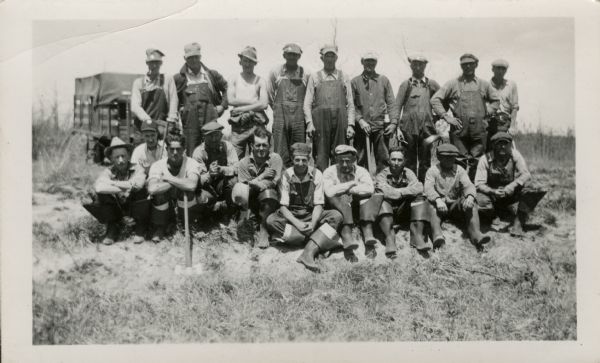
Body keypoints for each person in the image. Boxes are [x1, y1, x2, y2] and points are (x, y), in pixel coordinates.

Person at [265, 143, 344, 271]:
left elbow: (318, 204)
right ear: (292, 159)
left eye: (304, 160)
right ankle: (319, 242)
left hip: (311, 214)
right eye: (297, 159)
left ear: (309, 159)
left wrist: (312, 224)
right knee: (271, 221)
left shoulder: (317, 173)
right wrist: (297, 223)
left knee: (336, 216)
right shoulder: (286, 175)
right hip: (293, 215)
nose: (300, 163)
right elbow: (283, 207)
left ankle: (307, 252)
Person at [430, 53, 500, 181]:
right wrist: (446, 117)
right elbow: (435, 100)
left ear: (476, 65)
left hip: (479, 130)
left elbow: (495, 100)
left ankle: (474, 190)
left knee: (478, 161)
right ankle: (459, 188)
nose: (468, 67)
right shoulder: (453, 84)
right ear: (461, 66)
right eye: (464, 65)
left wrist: (486, 112)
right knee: (458, 160)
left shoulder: (484, 84)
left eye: (470, 64)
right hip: (459, 129)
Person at [474, 132, 546, 237]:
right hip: (492, 196)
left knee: (536, 188)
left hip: (509, 193)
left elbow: (526, 174)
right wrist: (493, 191)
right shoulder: (485, 159)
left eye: (506, 144)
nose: (503, 146)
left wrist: (511, 187)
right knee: (479, 199)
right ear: (493, 145)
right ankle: (493, 215)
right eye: (499, 144)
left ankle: (518, 224)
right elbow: (479, 184)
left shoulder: (515, 154)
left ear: (510, 145)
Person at [82, 137, 149, 245]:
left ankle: (140, 227)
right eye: (117, 157)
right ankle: (113, 226)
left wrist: (112, 183)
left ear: (128, 156)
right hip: (117, 206)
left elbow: (138, 184)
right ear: (111, 159)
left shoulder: (138, 168)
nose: (121, 160)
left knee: (141, 190)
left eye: (123, 156)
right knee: (94, 196)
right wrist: (125, 187)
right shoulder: (108, 171)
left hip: (134, 205)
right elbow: (99, 187)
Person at [424, 143, 491, 250]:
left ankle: (476, 235)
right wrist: (437, 200)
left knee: (471, 202)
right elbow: (428, 188)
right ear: (439, 157)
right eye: (446, 157)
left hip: (454, 205)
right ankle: (437, 236)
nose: (449, 160)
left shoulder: (459, 170)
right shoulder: (432, 171)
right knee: (430, 205)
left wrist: (469, 196)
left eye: (452, 157)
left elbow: (468, 185)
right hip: (438, 207)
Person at [323, 145, 383, 262]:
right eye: (341, 161)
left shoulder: (361, 171)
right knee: (341, 196)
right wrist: (349, 185)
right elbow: (329, 192)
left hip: (357, 206)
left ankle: (368, 234)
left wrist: (350, 190)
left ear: (354, 160)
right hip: (338, 207)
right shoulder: (329, 171)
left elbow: (369, 189)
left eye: (348, 161)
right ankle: (347, 236)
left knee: (373, 196)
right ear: (336, 160)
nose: (344, 165)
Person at [303, 44, 355, 171]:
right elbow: (307, 103)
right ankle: (321, 187)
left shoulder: (344, 77)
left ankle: (339, 186)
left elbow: (350, 103)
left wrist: (351, 125)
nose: (330, 58)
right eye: (327, 56)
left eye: (332, 56)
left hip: (340, 121)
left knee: (341, 154)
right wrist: (309, 123)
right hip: (320, 122)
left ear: (336, 58)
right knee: (321, 157)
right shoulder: (314, 77)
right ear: (322, 58)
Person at [232, 126, 283, 248]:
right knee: (243, 229)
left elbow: (273, 183)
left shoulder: (275, 158)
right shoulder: (244, 162)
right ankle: (250, 217)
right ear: (252, 146)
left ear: (269, 146)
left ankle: (264, 228)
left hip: (270, 199)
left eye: (264, 145)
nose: (261, 149)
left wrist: (255, 182)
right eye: (258, 145)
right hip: (251, 198)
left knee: (268, 193)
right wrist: (261, 177)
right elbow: (243, 190)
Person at [147, 133, 204, 242]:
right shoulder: (157, 165)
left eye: (178, 149)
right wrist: (180, 181)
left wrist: (168, 178)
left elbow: (191, 185)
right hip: (167, 201)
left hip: (184, 201)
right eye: (171, 149)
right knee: (159, 193)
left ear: (184, 149)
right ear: (166, 149)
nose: (175, 153)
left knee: (186, 191)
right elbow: (152, 189)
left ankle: (185, 224)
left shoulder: (191, 163)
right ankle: (161, 226)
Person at [174, 42, 228, 155]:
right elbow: (172, 98)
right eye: (190, 58)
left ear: (200, 57)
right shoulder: (179, 78)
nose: (193, 60)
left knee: (212, 147)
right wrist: (179, 110)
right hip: (190, 121)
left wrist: (222, 106)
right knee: (191, 150)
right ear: (185, 58)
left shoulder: (211, 75)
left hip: (210, 117)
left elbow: (227, 89)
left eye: (196, 57)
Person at [375, 147, 430, 258]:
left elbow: (418, 187)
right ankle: (390, 240)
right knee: (381, 198)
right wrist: (405, 192)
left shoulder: (408, 173)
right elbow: (383, 190)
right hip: (387, 212)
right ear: (389, 160)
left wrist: (398, 192)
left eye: (399, 160)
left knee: (420, 197)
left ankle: (417, 238)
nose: (396, 163)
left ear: (404, 161)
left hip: (404, 210)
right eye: (393, 159)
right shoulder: (382, 174)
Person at [351, 52, 399, 173]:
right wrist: (360, 120)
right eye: (367, 61)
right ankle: (363, 185)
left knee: (383, 159)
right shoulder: (355, 82)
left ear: (376, 63)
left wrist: (393, 123)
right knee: (360, 159)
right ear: (362, 62)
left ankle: (381, 184)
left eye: (372, 61)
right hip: (361, 128)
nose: (370, 64)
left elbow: (392, 103)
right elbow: (351, 105)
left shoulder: (384, 80)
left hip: (381, 127)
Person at [395, 55, 441, 181]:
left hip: (427, 129)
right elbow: (397, 106)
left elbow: (443, 100)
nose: (418, 67)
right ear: (411, 66)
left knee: (425, 160)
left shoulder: (431, 84)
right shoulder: (406, 84)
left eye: (421, 64)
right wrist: (397, 128)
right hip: (408, 128)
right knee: (409, 159)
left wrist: (437, 117)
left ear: (425, 66)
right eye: (415, 64)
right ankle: (411, 185)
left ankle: (424, 187)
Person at [267, 43, 310, 167]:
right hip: (280, 117)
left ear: (299, 56)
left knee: (298, 151)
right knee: (280, 152)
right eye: (289, 54)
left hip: (299, 119)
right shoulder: (275, 71)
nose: (292, 57)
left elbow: (308, 98)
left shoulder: (305, 73)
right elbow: (270, 95)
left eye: (295, 55)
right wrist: (278, 110)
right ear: (284, 55)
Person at [227, 46, 269, 159]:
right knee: (235, 158)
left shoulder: (261, 81)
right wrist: (255, 102)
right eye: (245, 61)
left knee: (259, 156)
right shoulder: (234, 78)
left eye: (251, 61)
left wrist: (241, 108)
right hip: (239, 125)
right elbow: (230, 100)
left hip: (256, 122)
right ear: (240, 61)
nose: (247, 64)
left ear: (255, 63)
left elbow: (264, 104)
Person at [131, 48, 179, 144]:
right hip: (143, 126)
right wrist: (149, 121)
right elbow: (135, 106)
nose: (154, 65)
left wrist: (171, 121)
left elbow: (174, 100)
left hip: (161, 126)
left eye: (157, 62)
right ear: (147, 63)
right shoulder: (139, 83)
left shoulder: (167, 79)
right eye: (151, 62)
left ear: (161, 63)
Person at [192, 120, 239, 214]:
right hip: (207, 187)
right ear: (204, 137)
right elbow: (198, 180)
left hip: (223, 183)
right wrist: (210, 174)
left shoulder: (227, 146)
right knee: (202, 198)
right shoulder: (198, 153)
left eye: (216, 135)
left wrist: (222, 169)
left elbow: (236, 168)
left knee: (235, 182)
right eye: (210, 136)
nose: (214, 139)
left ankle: (231, 212)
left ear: (221, 135)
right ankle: (209, 214)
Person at [488, 59, 519, 146]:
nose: (500, 71)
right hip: (491, 123)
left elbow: (515, 107)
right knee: (489, 150)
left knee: (509, 150)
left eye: (503, 69)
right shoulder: (486, 86)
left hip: (506, 123)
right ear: (493, 69)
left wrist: (512, 126)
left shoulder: (511, 85)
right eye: (498, 68)